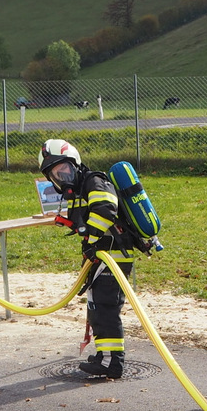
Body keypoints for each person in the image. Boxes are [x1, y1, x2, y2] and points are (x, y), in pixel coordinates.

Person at [39, 138, 137, 379]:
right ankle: (104, 355)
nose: (62, 177)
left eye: (64, 169)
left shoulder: (94, 181)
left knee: (105, 308)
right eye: (55, 175)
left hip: (112, 255)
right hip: (101, 256)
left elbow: (106, 209)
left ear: (75, 163)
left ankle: (112, 363)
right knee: (97, 306)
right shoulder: (80, 189)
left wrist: (91, 239)